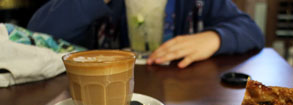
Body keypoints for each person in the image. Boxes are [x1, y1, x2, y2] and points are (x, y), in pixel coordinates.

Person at [28, 0, 264, 68]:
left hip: (179, 97)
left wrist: (214, 38)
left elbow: (251, 31)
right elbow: (37, 32)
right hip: (111, 88)